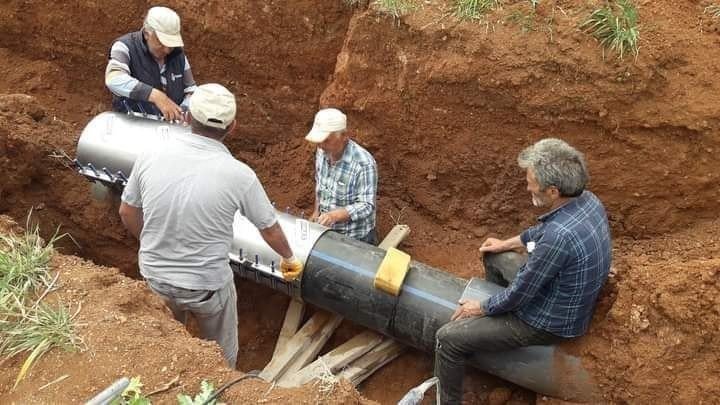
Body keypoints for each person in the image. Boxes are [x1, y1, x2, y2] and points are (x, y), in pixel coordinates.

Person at [118, 83, 303, 368]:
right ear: (233, 128)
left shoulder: (150, 154)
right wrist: (290, 258)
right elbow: (269, 228)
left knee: (165, 342)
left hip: (156, 278)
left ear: (188, 117)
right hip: (206, 287)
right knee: (221, 356)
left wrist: (152, 243)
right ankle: (221, 386)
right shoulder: (239, 175)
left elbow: (127, 211)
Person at [434, 138, 612, 404]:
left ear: (552, 191)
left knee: (447, 339)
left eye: (531, 181)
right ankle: (486, 338)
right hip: (560, 292)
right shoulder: (587, 201)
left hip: (548, 322)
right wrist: (506, 243)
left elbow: (521, 293)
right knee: (495, 257)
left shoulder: (558, 237)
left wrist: (481, 308)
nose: (527, 185)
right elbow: (540, 233)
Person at [105, 6, 197, 121]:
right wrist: (156, 96)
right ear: (147, 33)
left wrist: (183, 111)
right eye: (161, 43)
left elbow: (191, 91)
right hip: (132, 125)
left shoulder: (179, 55)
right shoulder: (125, 46)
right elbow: (114, 78)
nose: (167, 50)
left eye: (171, 44)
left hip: (171, 130)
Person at [305, 108, 379, 244]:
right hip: (327, 231)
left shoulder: (363, 164)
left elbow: (367, 205)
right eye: (319, 141)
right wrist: (317, 212)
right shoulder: (322, 151)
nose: (320, 146)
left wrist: (334, 216)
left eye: (326, 140)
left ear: (344, 136)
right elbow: (320, 184)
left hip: (355, 236)